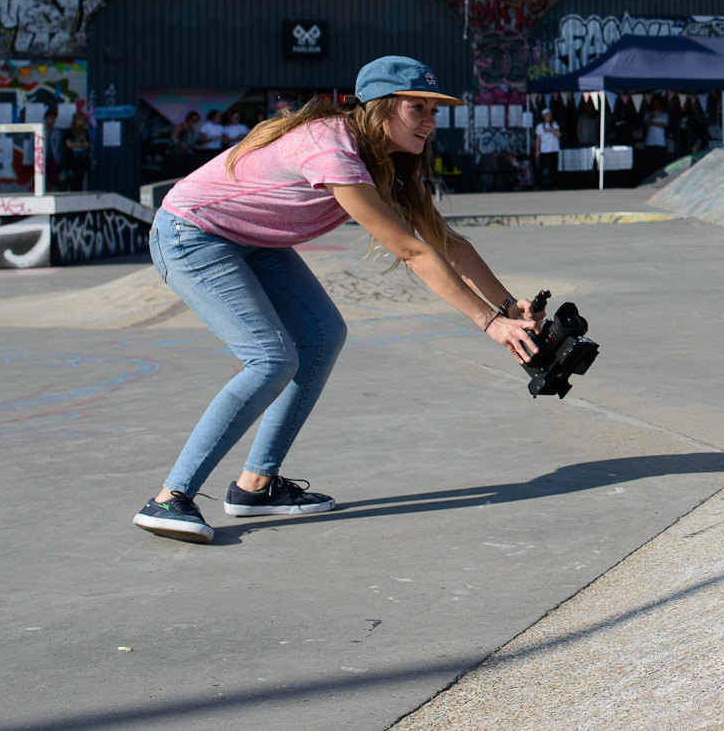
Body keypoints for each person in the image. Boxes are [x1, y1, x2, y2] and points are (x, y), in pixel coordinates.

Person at [131, 57, 539, 545]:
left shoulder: (387, 159)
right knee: (270, 358)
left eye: (434, 109)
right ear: (380, 108)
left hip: (251, 241)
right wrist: (489, 323)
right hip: (191, 233)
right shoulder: (333, 148)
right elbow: (411, 251)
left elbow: (445, 241)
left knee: (323, 334)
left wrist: (509, 306)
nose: (430, 120)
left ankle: (255, 487)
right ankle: (169, 498)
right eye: (417, 107)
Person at [533, 107, 563, 188]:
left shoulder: (554, 124)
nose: (548, 117)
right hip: (544, 150)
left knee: (554, 168)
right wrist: (537, 150)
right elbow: (538, 139)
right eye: (546, 115)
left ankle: (555, 184)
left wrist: (552, 130)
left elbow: (559, 134)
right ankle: (538, 185)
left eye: (549, 115)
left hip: (553, 149)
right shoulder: (539, 126)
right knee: (541, 168)